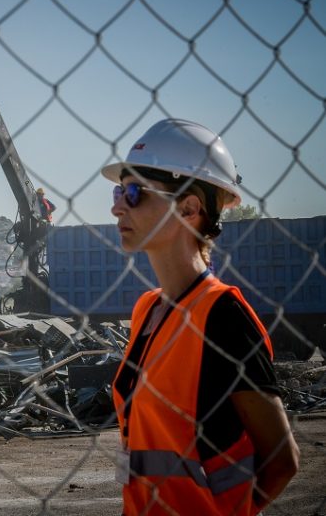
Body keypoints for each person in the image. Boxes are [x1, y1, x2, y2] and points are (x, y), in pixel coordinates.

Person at [101, 118, 299, 515]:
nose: (117, 205)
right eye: (119, 189)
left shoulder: (222, 315)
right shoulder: (148, 309)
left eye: (135, 192)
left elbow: (282, 461)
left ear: (189, 208)